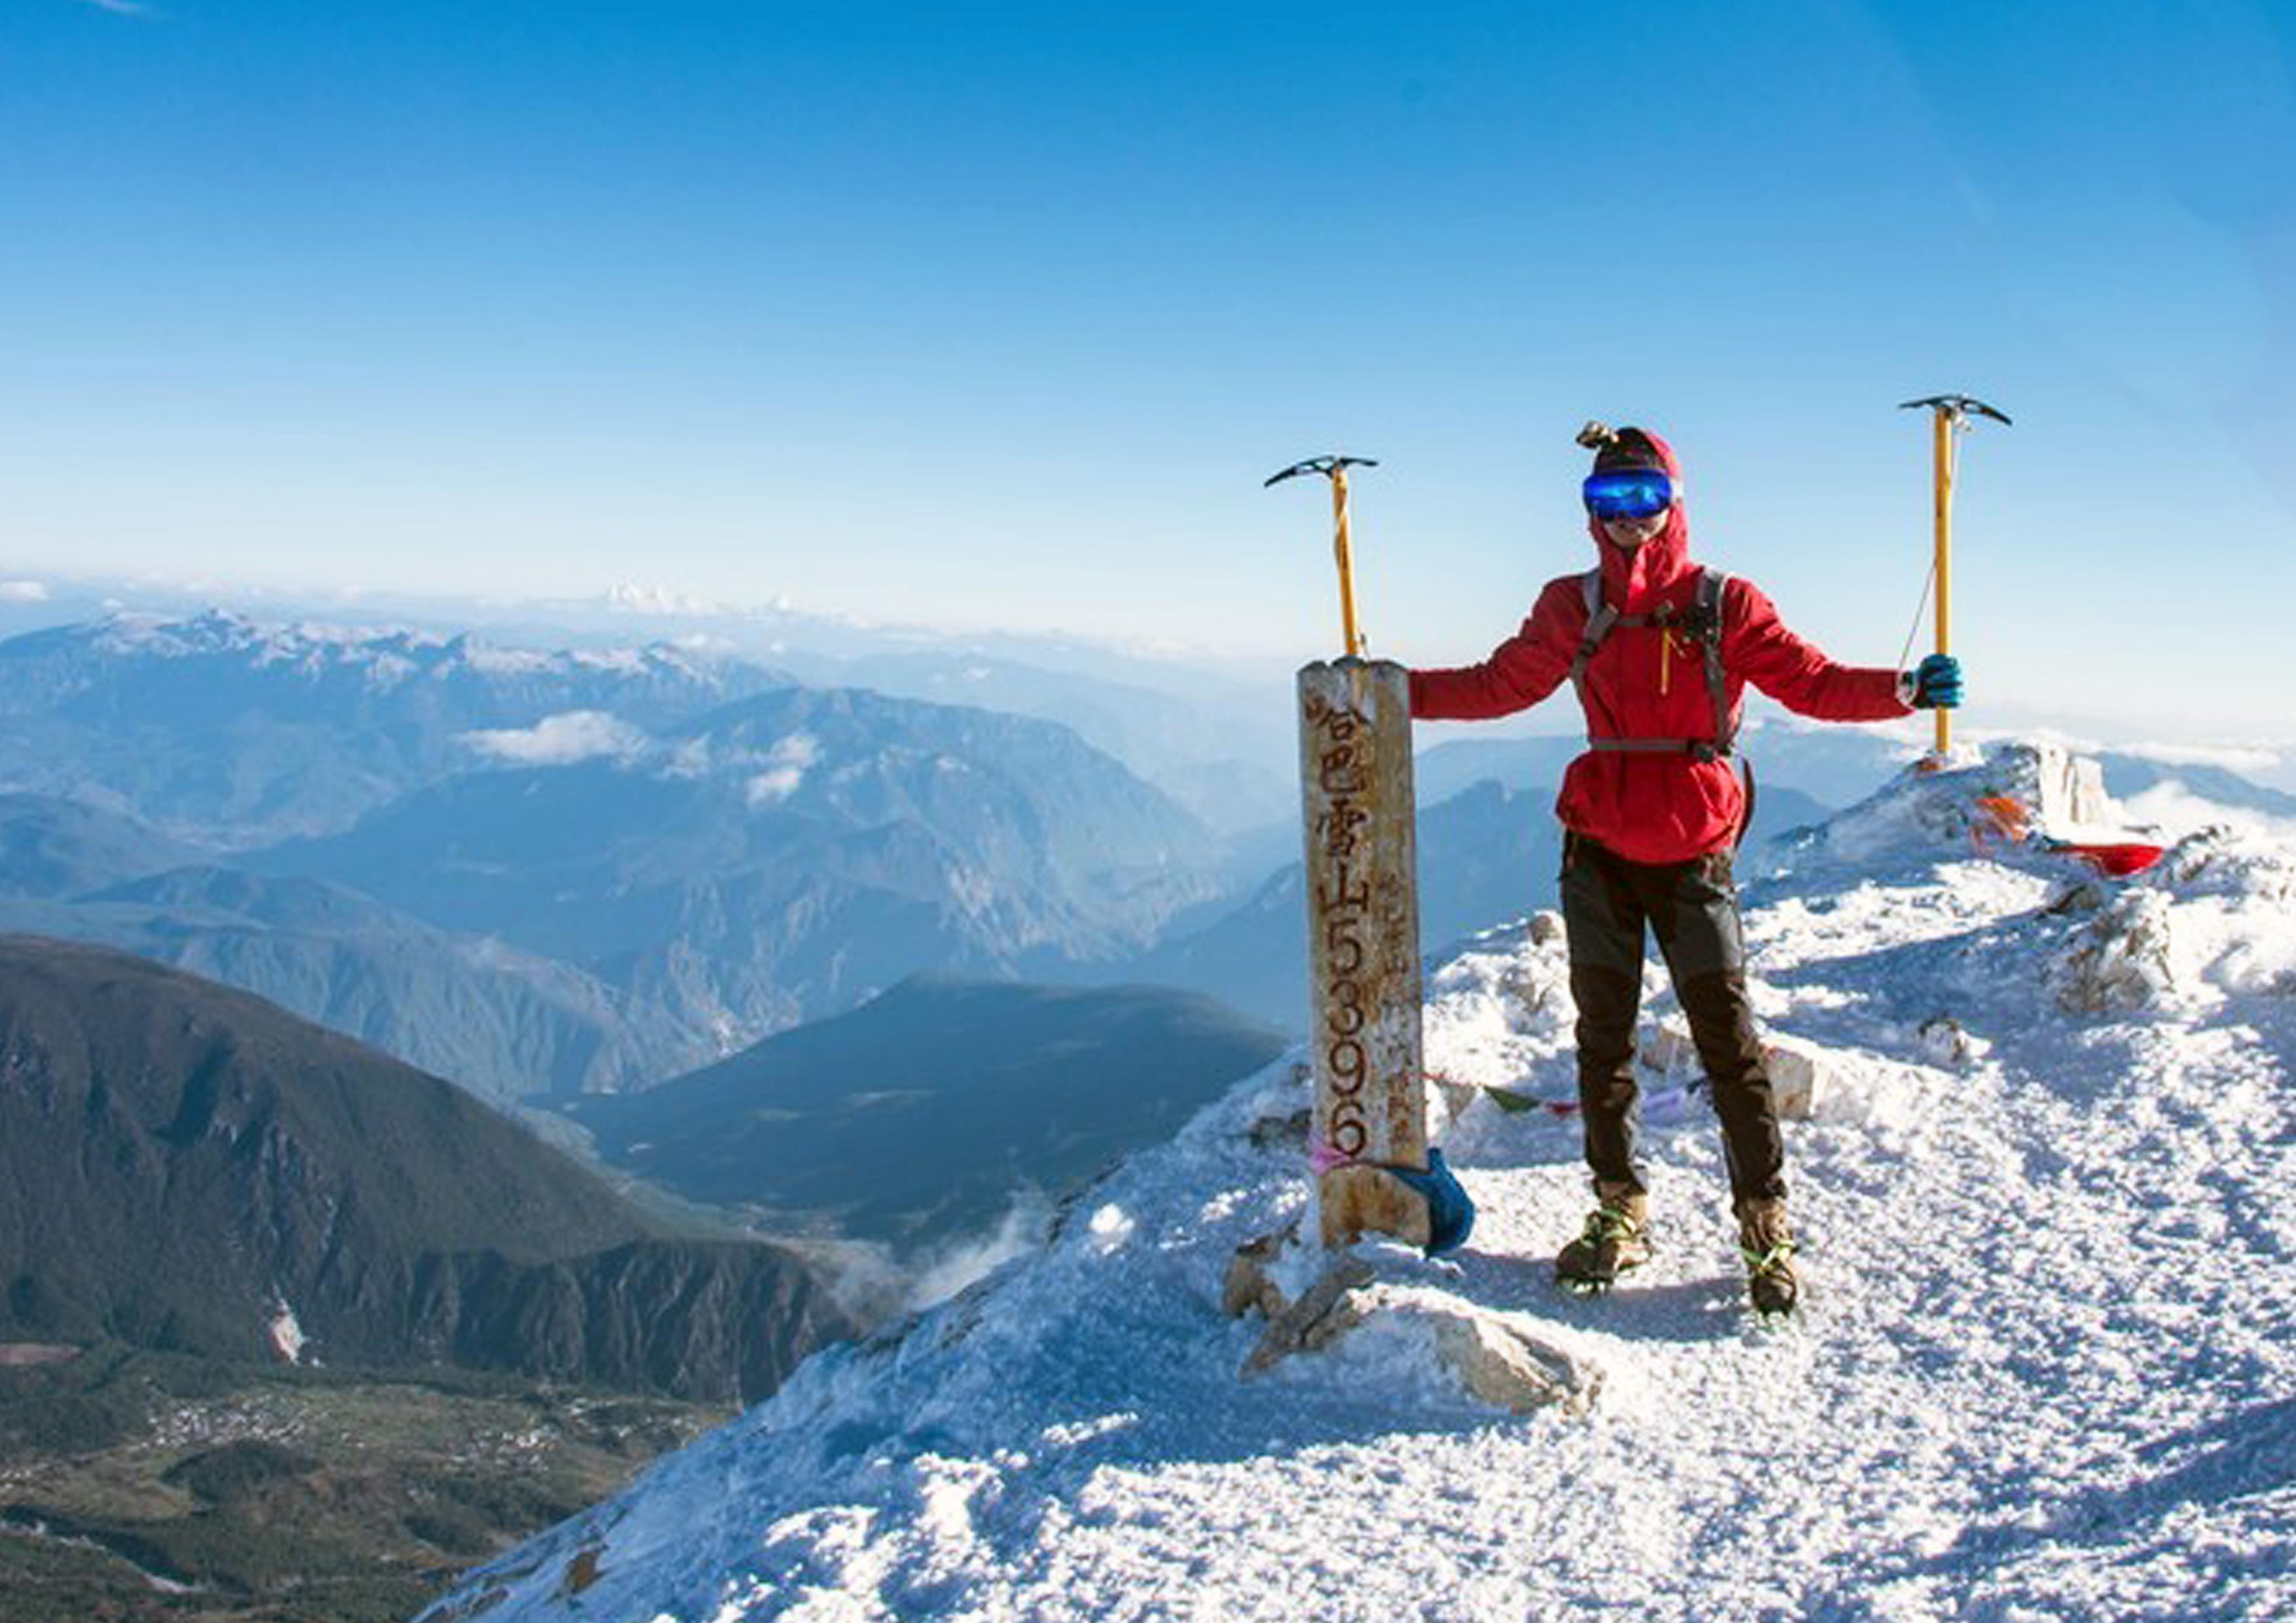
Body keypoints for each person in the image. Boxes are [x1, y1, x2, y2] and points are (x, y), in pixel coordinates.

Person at [1407, 423, 1961, 1313]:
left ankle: (1765, 1225)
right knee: (1604, 1042)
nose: (1627, 522)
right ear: (1589, 512)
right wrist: (1398, 692)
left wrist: (1900, 690)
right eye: (1607, 503)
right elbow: (1500, 684)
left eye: (1643, 500)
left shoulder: (1722, 603)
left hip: (1693, 850)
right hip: (1599, 847)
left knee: (1728, 1047)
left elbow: (1806, 680)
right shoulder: (1572, 606)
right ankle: (1620, 1211)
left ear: (1674, 501)